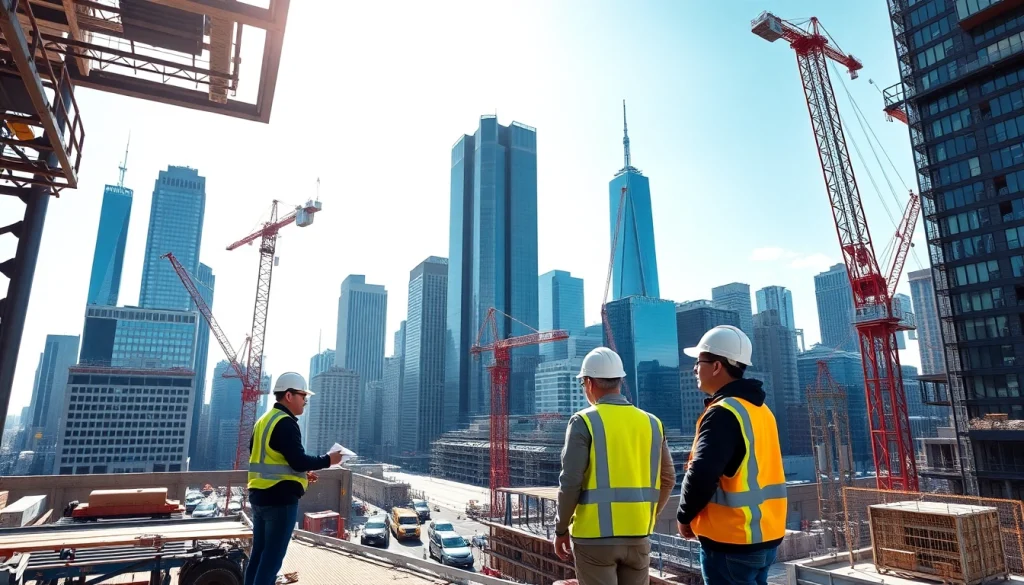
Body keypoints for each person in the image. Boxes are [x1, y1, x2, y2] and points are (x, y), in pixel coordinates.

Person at [553, 347, 676, 585]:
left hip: (594, 538)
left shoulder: (583, 421)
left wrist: (561, 529)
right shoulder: (652, 423)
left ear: (589, 383)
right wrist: (646, 516)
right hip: (638, 534)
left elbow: (570, 483)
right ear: (619, 381)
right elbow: (668, 479)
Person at [676, 326, 787, 585]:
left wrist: (684, 516)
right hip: (764, 536)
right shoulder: (761, 411)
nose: (694, 369)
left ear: (716, 366)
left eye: (699, 362)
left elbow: (702, 473)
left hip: (731, 540)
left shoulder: (723, 412)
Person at [244, 372, 343, 585]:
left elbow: (269, 457)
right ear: (289, 396)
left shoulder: (263, 421)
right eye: (302, 395)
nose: (305, 401)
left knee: (258, 557)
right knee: (271, 562)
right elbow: (298, 460)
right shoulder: (286, 422)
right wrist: (329, 459)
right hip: (279, 502)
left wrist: (301, 474)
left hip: (259, 497)